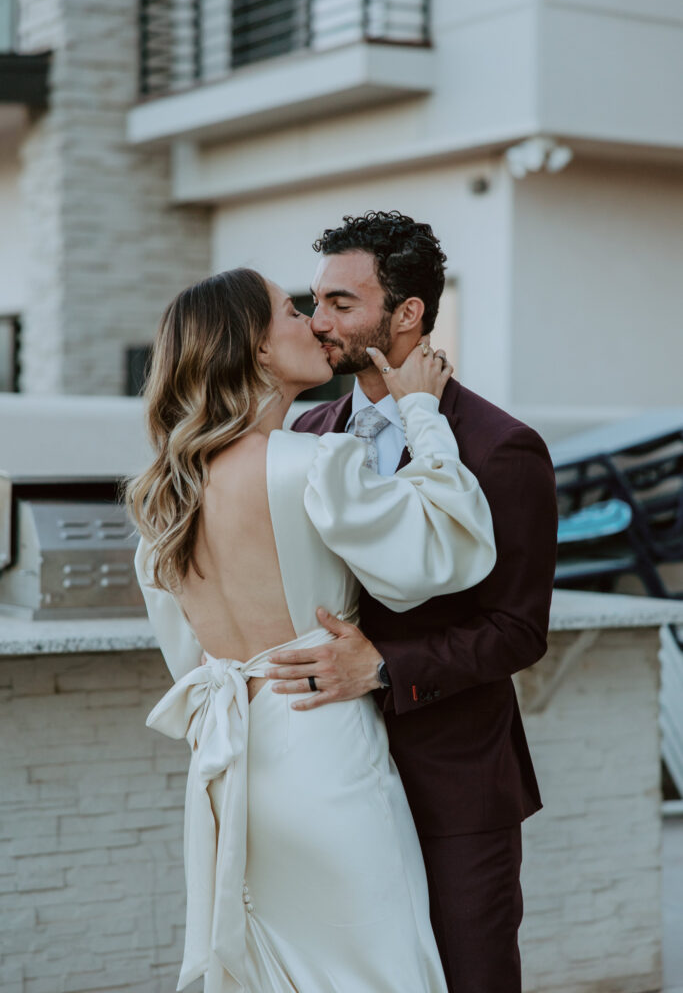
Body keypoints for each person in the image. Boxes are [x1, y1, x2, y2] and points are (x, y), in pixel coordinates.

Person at [127, 267, 497, 993]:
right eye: (291, 312)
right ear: (258, 350)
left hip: (232, 761)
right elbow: (448, 546)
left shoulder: (164, 491)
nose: (314, 323)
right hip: (324, 751)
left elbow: (188, 657)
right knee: (376, 969)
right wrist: (420, 411)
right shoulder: (311, 462)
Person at [270, 211, 558, 993]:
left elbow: (516, 631)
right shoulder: (306, 430)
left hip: (454, 778)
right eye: (314, 302)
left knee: (471, 975)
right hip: (331, 770)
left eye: (340, 304)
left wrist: (385, 665)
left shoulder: (502, 449)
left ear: (407, 314)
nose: (319, 322)